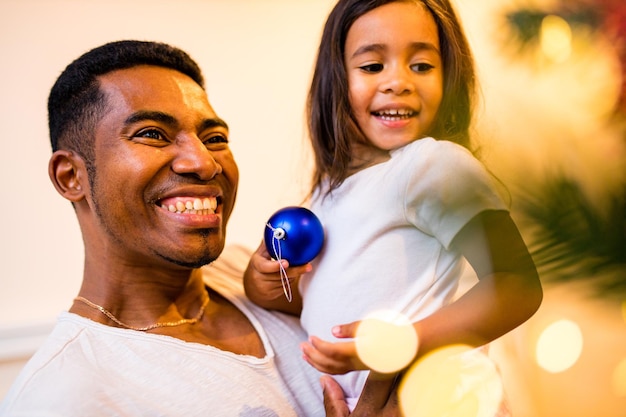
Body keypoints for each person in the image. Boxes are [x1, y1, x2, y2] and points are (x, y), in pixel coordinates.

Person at [0, 40, 399, 417]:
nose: (205, 163)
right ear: (71, 176)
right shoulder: (61, 396)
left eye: (215, 137)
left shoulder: (263, 278)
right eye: (152, 134)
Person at [244, 0, 544, 412]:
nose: (398, 81)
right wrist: (262, 285)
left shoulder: (433, 165)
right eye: (372, 67)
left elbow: (516, 284)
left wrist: (400, 346)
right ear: (336, 80)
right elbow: (326, 296)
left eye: (421, 66)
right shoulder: (325, 196)